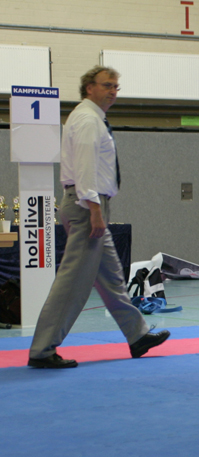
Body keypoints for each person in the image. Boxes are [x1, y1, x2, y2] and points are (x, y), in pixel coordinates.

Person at [28, 66, 170, 369]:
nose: (113, 91)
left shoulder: (92, 118)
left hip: (89, 204)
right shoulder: (88, 119)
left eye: (116, 87)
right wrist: (94, 210)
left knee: (112, 279)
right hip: (86, 206)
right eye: (107, 85)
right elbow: (85, 168)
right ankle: (42, 350)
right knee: (72, 284)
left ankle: (137, 335)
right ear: (89, 87)